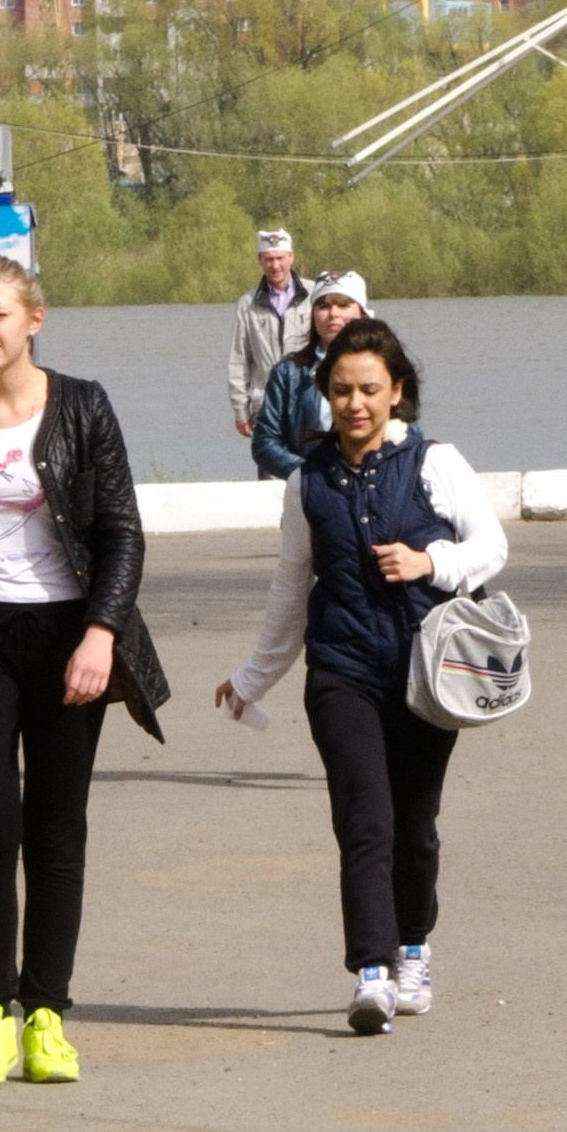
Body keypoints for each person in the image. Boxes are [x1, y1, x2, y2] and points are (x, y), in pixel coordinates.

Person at [0, 254, 168, 1089]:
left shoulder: (82, 404)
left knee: (56, 830)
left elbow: (121, 530)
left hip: (64, 634)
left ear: (33, 320)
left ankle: (47, 1014)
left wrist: (99, 632)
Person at [215, 314, 506, 1034]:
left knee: (416, 824)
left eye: (370, 389)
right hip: (341, 669)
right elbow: (291, 586)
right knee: (364, 819)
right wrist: (253, 677)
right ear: (325, 394)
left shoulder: (435, 462)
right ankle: (371, 972)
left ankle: (414, 947)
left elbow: (493, 545)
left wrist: (429, 564)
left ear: (397, 390)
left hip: (428, 676)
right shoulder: (307, 480)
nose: (355, 403)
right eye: (341, 389)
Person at [252, 270, 371, 480]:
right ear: (313, 314)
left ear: (361, 313)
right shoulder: (288, 372)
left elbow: (405, 433)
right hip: (306, 488)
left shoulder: (383, 368)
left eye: (344, 305)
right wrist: (312, 472)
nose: (333, 313)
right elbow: (264, 443)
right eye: (323, 306)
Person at [227, 229, 315, 475]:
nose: (275, 265)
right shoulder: (247, 303)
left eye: (280, 258)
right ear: (260, 261)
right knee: (270, 480)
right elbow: (239, 360)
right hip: (265, 405)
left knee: (312, 477)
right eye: (268, 259)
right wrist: (240, 409)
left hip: (308, 402)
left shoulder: (314, 294)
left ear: (291, 257)